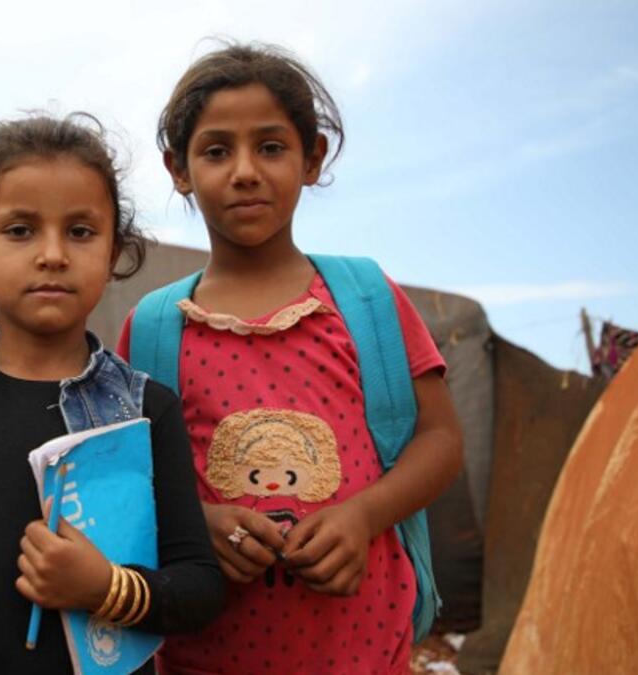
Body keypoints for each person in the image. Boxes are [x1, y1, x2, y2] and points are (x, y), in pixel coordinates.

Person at [117, 42, 464, 674]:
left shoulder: (364, 298)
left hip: (364, 651)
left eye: (271, 147)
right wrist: (197, 521)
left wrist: (364, 515)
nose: (245, 171)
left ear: (312, 158)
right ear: (179, 168)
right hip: (206, 657)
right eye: (217, 150)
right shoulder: (154, 329)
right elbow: (127, 481)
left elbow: (439, 439)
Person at [0, 114, 225, 674]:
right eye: (20, 230)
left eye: (80, 231)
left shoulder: (147, 412)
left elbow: (198, 586)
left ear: (113, 251)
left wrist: (105, 588)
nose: (52, 254)